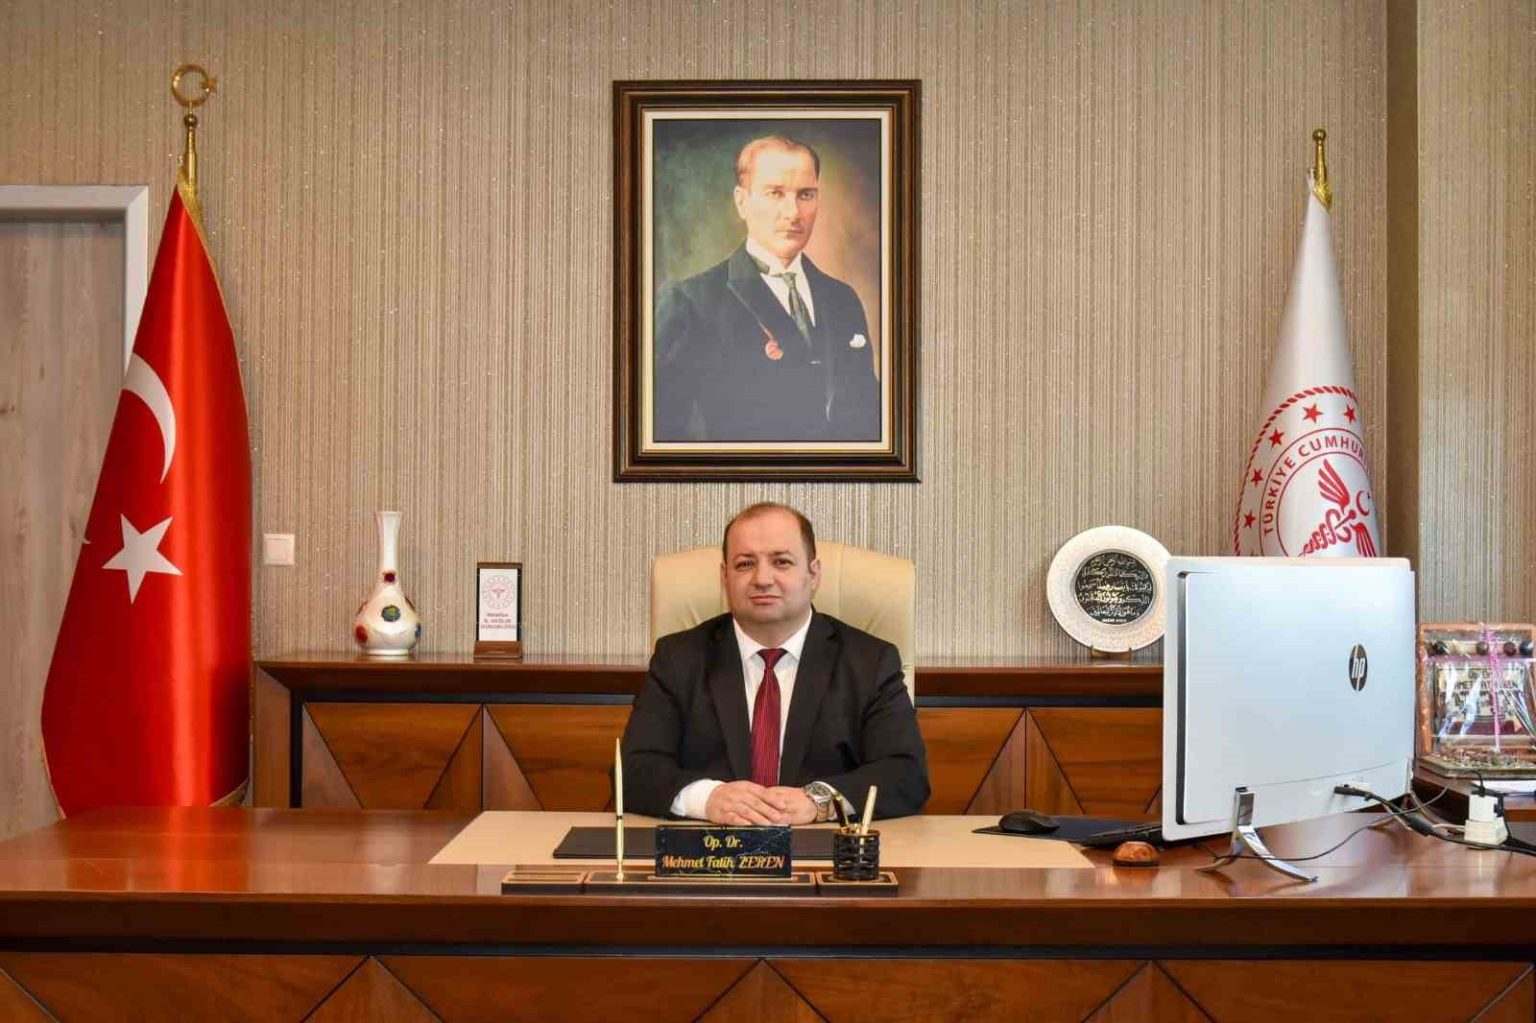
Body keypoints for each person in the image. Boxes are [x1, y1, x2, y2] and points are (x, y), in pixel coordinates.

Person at [621, 503, 929, 824]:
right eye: (745, 564)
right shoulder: (678, 659)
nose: (762, 579)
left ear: (813, 574)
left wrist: (819, 801)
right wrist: (707, 798)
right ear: (725, 577)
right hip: (712, 845)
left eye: (781, 562)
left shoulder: (870, 662)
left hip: (824, 846)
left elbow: (906, 774)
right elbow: (634, 769)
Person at [653, 135, 881, 443]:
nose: (793, 213)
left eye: (806, 194)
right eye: (775, 193)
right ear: (742, 202)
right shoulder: (690, 303)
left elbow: (870, 417)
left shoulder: (842, 298)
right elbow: (661, 436)